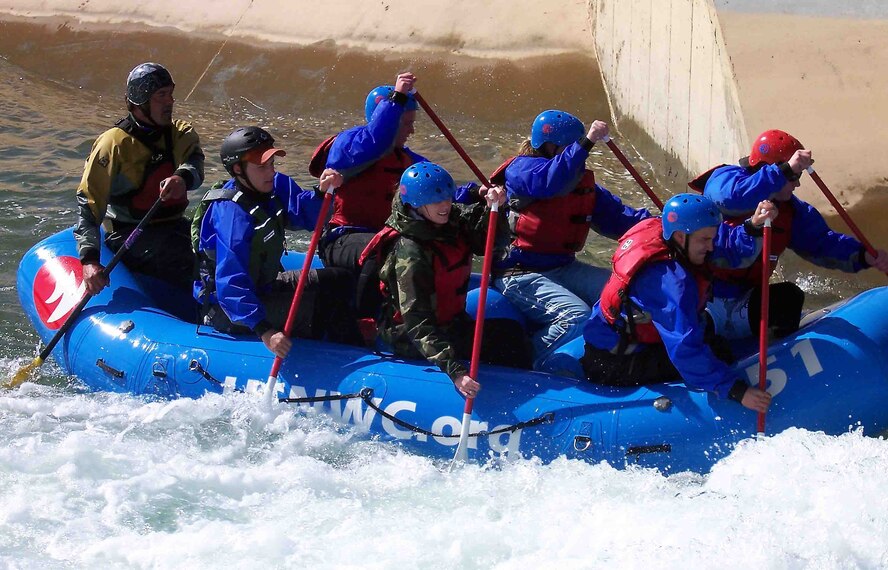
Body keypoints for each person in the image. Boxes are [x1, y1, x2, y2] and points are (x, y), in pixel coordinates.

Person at [581, 193, 777, 413]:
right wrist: (737, 390)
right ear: (681, 237)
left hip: (620, 337)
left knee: (708, 332)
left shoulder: (665, 231)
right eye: (704, 240)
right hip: (614, 362)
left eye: (710, 238)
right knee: (719, 352)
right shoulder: (670, 284)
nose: (710, 246)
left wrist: (752, 226)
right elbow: (685, 350)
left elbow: (723, 244)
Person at [490, 110, 651, 370]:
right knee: (575, 317)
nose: (580, 157)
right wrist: (587, 142)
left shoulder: (581, 185)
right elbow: (549, 181)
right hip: (518, 273)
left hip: (563, 268)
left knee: (627, 295)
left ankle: (620, 359)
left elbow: (621, 218)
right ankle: (526, 363)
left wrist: (665, 226)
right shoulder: (522, 170)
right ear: (549, 146)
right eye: (570, 148)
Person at [693, 129, 888, 340]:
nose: (797, 184)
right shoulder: (725, 180)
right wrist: (784, 171)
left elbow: (822, 243)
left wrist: (863, 255)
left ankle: (776, 350)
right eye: (794, 176)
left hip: (745, 301)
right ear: (771, 169)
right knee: (695, 332)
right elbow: (732, 198)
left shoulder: (791, 212)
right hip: (704, 299)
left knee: (790, 296)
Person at [360, 162, 531, 398]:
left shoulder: (449, 219)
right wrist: (455, 371)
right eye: (435, 201)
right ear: (416, 204)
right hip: (410, 338)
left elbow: (487, 242)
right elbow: (417, 322)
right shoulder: (411, 253)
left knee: (510, 332)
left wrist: (494, 207)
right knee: (504, 343)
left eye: (447, 199)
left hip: (450, 322)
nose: (445, 206)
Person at [192, 127, 362, 358]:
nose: (270, 171)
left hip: (265, 288)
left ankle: (358, 340)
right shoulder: (232, 216)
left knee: (341, 280)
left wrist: (322, 192)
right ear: (238, 169)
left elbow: (306, 214)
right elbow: (230, 284)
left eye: (271, 163)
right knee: (322, 304)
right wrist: (265, 331)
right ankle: (343, 357)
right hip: (231, 312)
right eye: (262, 166)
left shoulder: (274, 185)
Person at [75, 62, 204, 295]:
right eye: (161, 96)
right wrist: (89, 260)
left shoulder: (180, 133)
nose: (170, 102)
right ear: (140, 102)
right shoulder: (113, 144)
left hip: (173, 226)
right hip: (129, 235)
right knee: (191, 264)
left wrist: (182, 178)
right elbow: (89, 203)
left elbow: (195, 163)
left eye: (171, 94)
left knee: (219, 250)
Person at [308, 72, 426, 317]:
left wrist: (475, 193)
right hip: (341, 239)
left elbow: (434, 183)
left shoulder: (405, 158)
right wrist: (397, 99)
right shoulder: (349, 144)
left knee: (409, 245)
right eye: (407, 123)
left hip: (382, 238)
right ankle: (363, 320)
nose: (412, 130)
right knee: (383, 247)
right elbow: (375, 140)